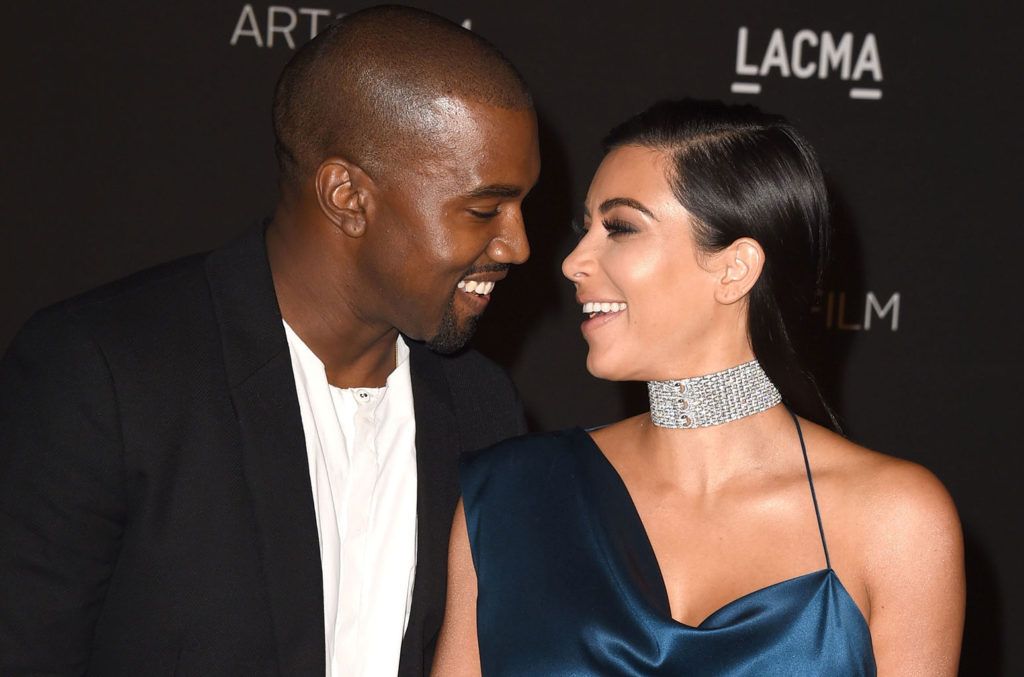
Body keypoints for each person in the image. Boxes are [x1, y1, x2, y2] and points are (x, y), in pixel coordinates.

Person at [0, 6, 539, 676]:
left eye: (522, 208)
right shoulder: (108, 373)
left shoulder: (482, 405)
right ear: (347, 194)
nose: (517, 245)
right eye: (484, 209)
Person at [433, 100, 965, 676]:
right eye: (585, 228)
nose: (574, 261)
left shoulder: (894, 520)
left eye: (621, 228)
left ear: (735, 268)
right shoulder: (510, 497)